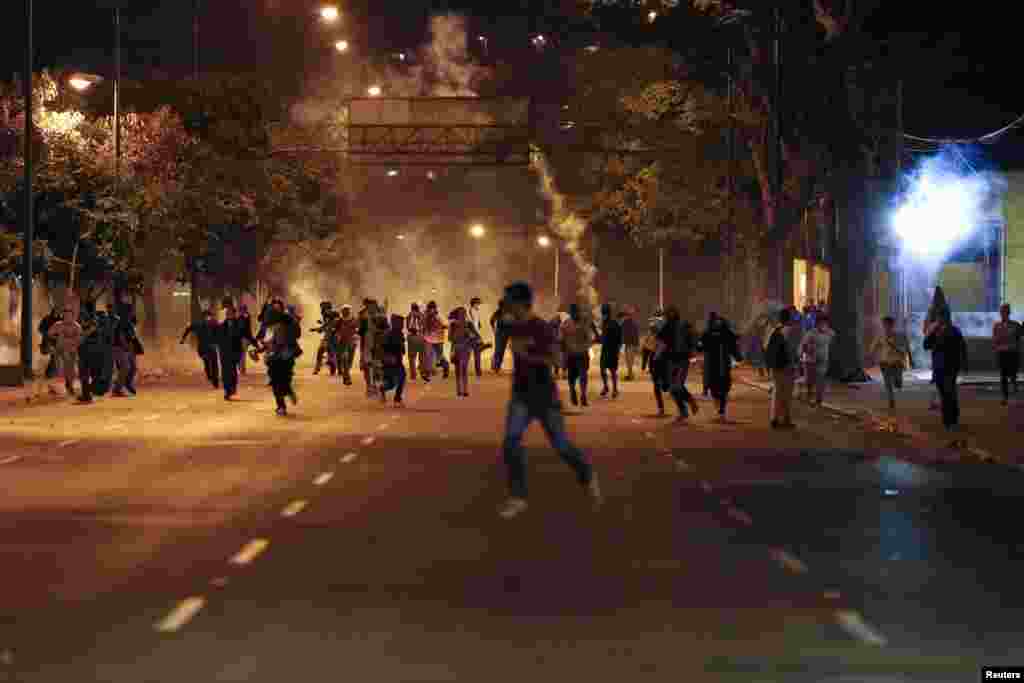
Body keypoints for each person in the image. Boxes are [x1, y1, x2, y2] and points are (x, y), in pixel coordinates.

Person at [497, 281, 601, 520]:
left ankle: (587, 475)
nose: (507, 306)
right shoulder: (511, 325)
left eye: (510, 301)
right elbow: (501, 321)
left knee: (562, 446)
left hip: (545, 397)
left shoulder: (541, 328)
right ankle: (518, 496)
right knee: (511, 442)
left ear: (520, 303)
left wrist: (530, 355)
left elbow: (558, 361)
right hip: (521, 396)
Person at [924, 314, 969, 447]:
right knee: (944, 394)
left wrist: (964, 363)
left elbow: (962, 347)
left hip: (950, 367)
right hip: (938, 368)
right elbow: (926, 345)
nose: (939, 320)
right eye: (938, 318)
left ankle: (953, 419)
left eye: (942, 318)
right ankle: (947, 421)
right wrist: (931, 331)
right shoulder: (934, 331)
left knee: (950, 393)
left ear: (947, 318)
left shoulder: (954, 330)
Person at [652, 306, 699, 421]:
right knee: (673, 388)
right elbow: (661, 341)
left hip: (682, 360)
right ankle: (683, 410)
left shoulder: (684, 325)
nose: (669, 315)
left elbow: (693, 338)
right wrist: (657, 355)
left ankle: (690, 401)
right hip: (670, 360)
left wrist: (693, 351)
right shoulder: (667, 326)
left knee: (677, 386)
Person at [260, 299, 302, 415]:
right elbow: (268, 342)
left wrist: (295, 322)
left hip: (286, 357)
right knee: (275, 383)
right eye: (274, 308)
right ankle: (281, 406)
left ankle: (289, 392)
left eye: (278, 308)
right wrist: (260, 350)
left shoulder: (289, 321)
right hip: (274, 359)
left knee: (285, 381)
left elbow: (297, 334)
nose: (275, 310)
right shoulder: (269, 325)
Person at [697, 313, 742, 421]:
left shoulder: (723, 333)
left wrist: (737, 356)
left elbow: (733, 346)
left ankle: (721, 411)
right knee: (717, 388)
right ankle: (720, 410)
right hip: (715, 365)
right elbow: (700, 346)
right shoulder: (709, 333)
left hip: (720, 365)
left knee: (722, 388)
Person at [765, 308, 801, 429]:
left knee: (777, 391)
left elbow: (767, 349)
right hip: (788, 366)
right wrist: (795, 364)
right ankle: (786, 418)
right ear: (789, 318)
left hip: (776, 366)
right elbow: (793, 351)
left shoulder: (775, 331)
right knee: (787, 394)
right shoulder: (791, 332)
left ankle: (774, 418)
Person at [871, 316, 912, 410]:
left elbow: (906, 347)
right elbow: (874, 346)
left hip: (896, 362)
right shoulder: (880, 336)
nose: (886, 327)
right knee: (887, 383)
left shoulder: (900, 336)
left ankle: (898, 380)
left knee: (897, 382)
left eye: (888, 325)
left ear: (892, 325)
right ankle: (891, 399)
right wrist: (870, 354)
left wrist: (908, 357)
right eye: (884, 325)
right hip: (884, 362)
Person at [216, 304, 257, 400]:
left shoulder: (239, 324)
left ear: (235, 314)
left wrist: (255, 344)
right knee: (225, 373)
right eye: (227, 314)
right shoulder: (222, 326)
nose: (229, 315)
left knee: (233, 372)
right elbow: (216, 337)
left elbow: (247, 334)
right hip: (224, 353)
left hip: (235, 352)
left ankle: (232, 388)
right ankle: (227, 391)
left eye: (231, 313)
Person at [561, 303, 597, 407]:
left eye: (576, 312)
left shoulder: (583, 322)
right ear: (571, 313)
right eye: (573, 312)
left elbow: (589, 337)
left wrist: (587, 344)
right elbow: (561, 339)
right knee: (572, 376)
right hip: (572, 354)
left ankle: (583, 395)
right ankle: (573, 392)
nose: (575, 314)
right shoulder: (566, 323)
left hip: (581, 353)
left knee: (583, 375)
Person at [798, 314, 835, 407]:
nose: (823, 325)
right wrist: (805, 352)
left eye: (825, 323)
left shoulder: (830, 333)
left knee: (820, 380)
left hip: (823, 361)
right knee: (809, 381)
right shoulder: (810, 333)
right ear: (817, 323)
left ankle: (819, 400)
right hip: (810, 361)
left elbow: (832, 342)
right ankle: (809, 397)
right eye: (821, 323)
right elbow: (803, 345)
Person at [46, 305, 82, 397]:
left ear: (72, 316)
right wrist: (55, 339)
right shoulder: (58, 324)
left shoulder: (76, 326)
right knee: (63, 368)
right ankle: (67, 385)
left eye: (69, 315)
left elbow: (79, 339)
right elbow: (49, 334)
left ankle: (69, 384)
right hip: (61, 349)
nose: (67, 317)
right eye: (65, 315)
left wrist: (74, 343)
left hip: (72, 350)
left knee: (71, 369)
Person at [181, 310, 220, 388]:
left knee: (207, 362)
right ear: (210, 316)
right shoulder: (213, 322)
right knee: (213, 363)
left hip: (202, 348)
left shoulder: (197, 323)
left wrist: (183, 339)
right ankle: (214, 380)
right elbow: (221, 331)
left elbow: (188, 328)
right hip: (210, 346)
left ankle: (210, 376)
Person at [992, 303, 1021, 405]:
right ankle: (1004, 397)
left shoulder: (1016, 325)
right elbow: (995, 341)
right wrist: (996, 350)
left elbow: (1019, 337)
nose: (1003, 313)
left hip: (1013, 353)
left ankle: (1016, 393)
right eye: (1002, 311)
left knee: (1013, 375)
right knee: (1003, 376)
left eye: (1005, 311)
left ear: (1008, 312)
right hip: (1002, 353)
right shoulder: (997, 325)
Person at [375, 315, 406, 406]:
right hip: (389, 362)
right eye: (399, 323)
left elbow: (402, 348)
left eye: (401, 323)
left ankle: (397, 398)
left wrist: (401, 350)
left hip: (398, 361)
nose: (401, 325)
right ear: (394, 323)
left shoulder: (400, 334)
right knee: (391, 383)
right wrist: (386, 358)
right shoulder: (388, 334)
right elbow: (381, 348)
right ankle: (382, 389)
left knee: (402, 377)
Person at [450, 306, 481, 397]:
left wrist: (470, 335)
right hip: (457, 348)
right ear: (458, 315)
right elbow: (450, 338)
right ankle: (460, 390)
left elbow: (476, 336)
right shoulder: (454, 325)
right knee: (458, 370)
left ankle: (464, 390)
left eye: (464, 313)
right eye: (461, 313)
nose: (463, 315)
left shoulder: (469, 324)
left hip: (465, 349)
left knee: (463, 369)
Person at [599, 302, 622, 398]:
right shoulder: (604, 323)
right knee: (603, 369)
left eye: (604, 313)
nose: (603, 315)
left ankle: (615, 389)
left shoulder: (614, 323)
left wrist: (618, 349)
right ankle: (606, 387)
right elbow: (603, 337)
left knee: (612, 371)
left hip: (612, 350)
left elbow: (619, 338)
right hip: (606, 349)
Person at [424, 301, 449, 380]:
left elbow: (446, 325)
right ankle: (427, 373)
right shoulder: (426, 316)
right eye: (430, 308)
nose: (431, 310)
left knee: (440, 356)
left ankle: (446, 367)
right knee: (428, 356)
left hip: (438, 339)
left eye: (432, 308)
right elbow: (424, 326)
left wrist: (442, 326)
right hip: (428, 338)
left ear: (435, 308)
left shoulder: (439, 316)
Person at [334, 304, 359, 385]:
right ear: (342, 311)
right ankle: (347, 377)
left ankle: (346, 375)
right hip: (342, 343)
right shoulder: (339, 320)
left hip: (352, 342)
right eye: (344, 310)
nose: (346, 311)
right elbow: (335, 331)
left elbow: (358, 329)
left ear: (349, 311)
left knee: (349, 362)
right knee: (345, 359)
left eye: (347, 310)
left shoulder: (354, 320)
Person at [467, 297, 490, 377]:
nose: (479, 305)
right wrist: (476, 334)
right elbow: (469, 324)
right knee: (474, 352)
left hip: (475, 334)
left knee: (476, 352)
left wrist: (479, 325)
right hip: (472, 335)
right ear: (474, 304)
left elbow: (476, 323)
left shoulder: (476, 311)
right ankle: (477, 371)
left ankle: (478, 371)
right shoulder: (470, 311)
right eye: (478, 304)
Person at [406, 303, 427, 382]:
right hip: (420, 336)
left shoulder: (409, 315)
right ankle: (422, 372)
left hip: (412, 336)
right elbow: (424, 326)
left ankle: (413, 374)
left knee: (412, 357)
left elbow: (408, 327)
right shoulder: (421, 315)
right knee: (421, 356)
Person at [621, 306, 640, 381]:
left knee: (629, 360)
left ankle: (630, 374)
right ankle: (630, 374)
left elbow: (635, 334)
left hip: (629, 344)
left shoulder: (628, 322)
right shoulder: (631, 322)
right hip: (629, 344)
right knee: (629, 360)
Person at [490, 298, 509, 373]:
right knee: (498, 350)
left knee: (501, 351)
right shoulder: (498, 312)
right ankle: (495, 367)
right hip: (499, 333)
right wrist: (494, 329)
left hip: (505, 334)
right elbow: (491, 320)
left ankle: (497, 367)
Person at [237, 304, 253, 375]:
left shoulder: (244, 317)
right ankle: (241, 368)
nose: (242, 311)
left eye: (243, 310)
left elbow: (247, 329)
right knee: (242, 354)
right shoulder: (242, 317)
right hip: (241, 338)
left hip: (243, 338)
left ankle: (242, 368)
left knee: (242, 354)